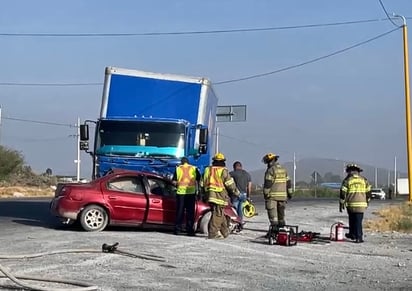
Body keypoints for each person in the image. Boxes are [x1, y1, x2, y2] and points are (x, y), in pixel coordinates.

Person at [202, 152, 240, 239]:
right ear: (223, 161)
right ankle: (213, 233)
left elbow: (202, 183)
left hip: (209, 195)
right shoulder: (223, 171)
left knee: (220, 213)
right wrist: (236, 193)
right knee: (218, 214)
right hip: (219, 196)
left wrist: (203, 194)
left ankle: (225, 231)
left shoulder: (208, 170)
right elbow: (230, 184)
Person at [262, 153, 292, 236]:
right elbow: (288, 182)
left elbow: (268, 184)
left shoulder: (271, 170)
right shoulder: (283, 169)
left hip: (272, 197)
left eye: (268, 162)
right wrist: (290, 193)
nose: (267, 164)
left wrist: (265, 193)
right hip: (283, 197)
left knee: (273, 216)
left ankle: (274, 232)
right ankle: (283, 231)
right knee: (281, 216)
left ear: (271, 161)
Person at [340, 163, 371, 243]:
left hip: (351, 204)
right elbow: (368, 192)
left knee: (352, 219)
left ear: (350, 171)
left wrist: (341, 203)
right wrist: (367, 202)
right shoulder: (364, 180)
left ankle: (356, 236)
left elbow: (343, 192)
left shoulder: (347, 180)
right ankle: (355, 235)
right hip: (361, 205)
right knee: (358, 221)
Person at [172, 157, 201, 236]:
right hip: (191, 193)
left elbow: (174, 182)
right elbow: (199, 179)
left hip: (181, 193)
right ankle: (190, 230)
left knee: (180, 212)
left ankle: (177, 229)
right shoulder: (194, 168)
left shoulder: (178, 169)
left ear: (182, 162)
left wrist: (177, 185)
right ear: (188, 162)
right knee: (190, 213)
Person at [229, 161, 252, 227]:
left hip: (236, 194)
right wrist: (248, 196)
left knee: (234, 210)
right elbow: (249, 186)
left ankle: (235, 223)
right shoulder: (247, 174)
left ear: (235, 167)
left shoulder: (233, 173)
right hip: (244, 194)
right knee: (240, 210)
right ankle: (240, 222)